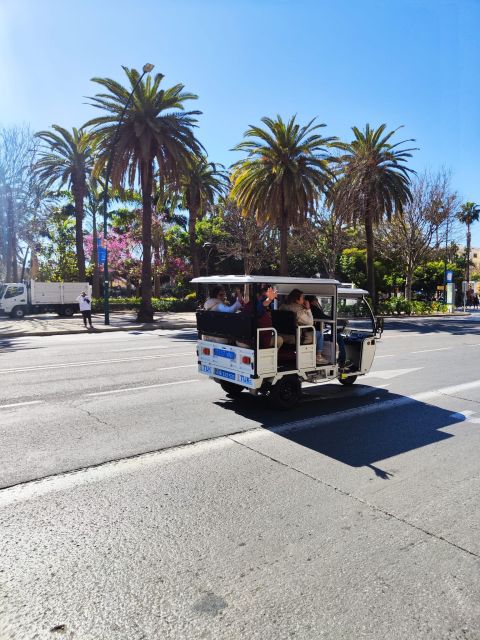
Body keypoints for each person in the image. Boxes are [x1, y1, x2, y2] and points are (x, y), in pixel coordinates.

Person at [279, 289, 328, 365]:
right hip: (296, 338)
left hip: (283, 336)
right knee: (319, 334)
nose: (304, 300)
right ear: (297, 300)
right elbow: (310, 323)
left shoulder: (282, 307)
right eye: (302, 298)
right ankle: (318, 356)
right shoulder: (299, 311)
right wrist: (308, 309)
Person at [305, 295, 352, 369]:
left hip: (311, 332)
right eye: (316, 300)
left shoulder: (307, 309)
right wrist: (340, 321)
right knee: (338, 337)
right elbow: (325, 318)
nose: (317, 301)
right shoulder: (313, 309)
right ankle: (342, 362)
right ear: (313, 301)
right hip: (314, 333)